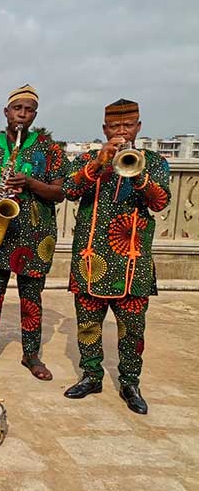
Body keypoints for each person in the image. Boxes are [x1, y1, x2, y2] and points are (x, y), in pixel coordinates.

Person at [62, 99, 170, 414]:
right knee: (88, 324)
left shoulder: (154, 161)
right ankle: (92, 375)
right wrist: (97, 164)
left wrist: (138, 175)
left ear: (138, 127)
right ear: (105, 129)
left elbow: (160, 202)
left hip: (132, 260)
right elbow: (69, 190)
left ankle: (130, 382)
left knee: (133, 330)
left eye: (128, 126)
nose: (121, 132)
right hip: (90, 258)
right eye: (115, 127)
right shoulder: (86, 159)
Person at [0, 84, 67, 381]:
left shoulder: (50, 148)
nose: (22, 114)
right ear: (6, 112)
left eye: (28, 110)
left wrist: (31, 183)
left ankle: (31, 354)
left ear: (35, 114)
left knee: (31, 297)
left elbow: (60, 192)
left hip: (37, 235)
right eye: (17, 109)